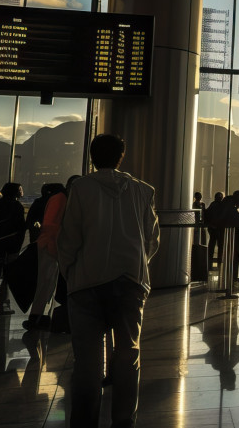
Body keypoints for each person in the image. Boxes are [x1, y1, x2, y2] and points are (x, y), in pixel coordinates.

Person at [57, 134, 160, 428]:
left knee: (87, 363)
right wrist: (137, 266)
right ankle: (124, 420)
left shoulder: (81, 188)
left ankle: (85, 421)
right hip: (130, 282)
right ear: (121, 157)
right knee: (128, 356)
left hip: (87, 283)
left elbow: (69, 238)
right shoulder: (143, 190)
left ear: (92, 157)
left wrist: (71, 273)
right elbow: (151, 239)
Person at [25, 177, 77, 330]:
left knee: (47, 283)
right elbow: (51, 226)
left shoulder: (61, 199)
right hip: (50, 246)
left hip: (52, 246)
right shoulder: (60, 199)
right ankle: (37, 316)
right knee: (46, 283)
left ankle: (40, 316)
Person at [0, 182, 26, 315]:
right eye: (20, 189)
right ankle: (3, 302)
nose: (22, 191)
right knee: (7, 274)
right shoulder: (17, 206)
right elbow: (21, 227)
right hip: (11, 244)